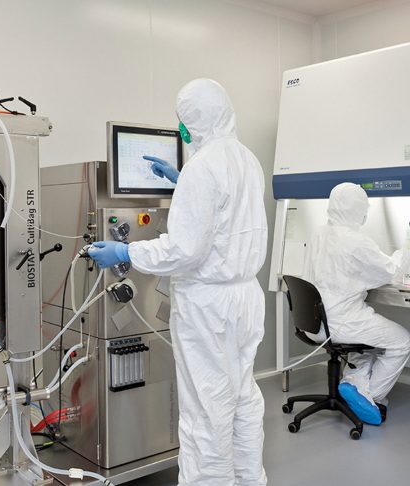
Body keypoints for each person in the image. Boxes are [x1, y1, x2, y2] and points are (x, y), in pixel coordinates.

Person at [89, 78, 268, 486]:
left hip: (209, 305)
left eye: (182, 121)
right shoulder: (245, 158)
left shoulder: (203, 168)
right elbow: (224, 213)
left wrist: (125, 252)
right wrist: (181, 179)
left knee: (207, 407)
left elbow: (184, 250)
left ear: (191, 124)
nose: (182, 130)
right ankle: (248, 479)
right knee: (242, 396)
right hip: (245, 297)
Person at [302, 183, 410, 425]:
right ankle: (369, 396)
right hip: (342, 322)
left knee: (370, 342)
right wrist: (409, 244)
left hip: (313, 324)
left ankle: (353, 382)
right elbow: (392, 272)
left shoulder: (318, 233)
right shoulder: (356, 241)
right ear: (357, 210)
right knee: (402, 341)